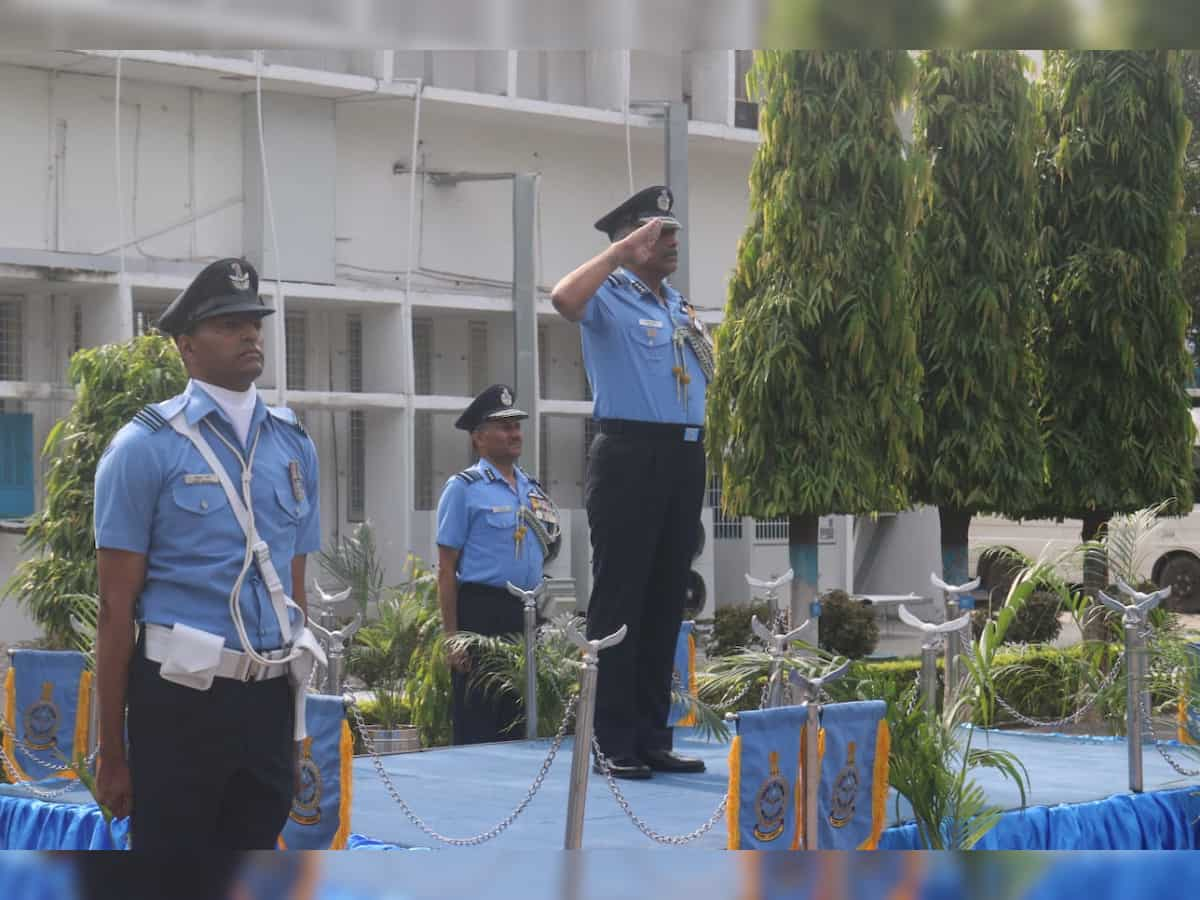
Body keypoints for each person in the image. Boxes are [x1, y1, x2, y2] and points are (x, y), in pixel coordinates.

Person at [92, 257, 322, 857]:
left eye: (254, 322)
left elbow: (293, 597)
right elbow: (115, 610)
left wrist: (295, 732)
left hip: (269, 699)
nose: (249, 334)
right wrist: (111, 752)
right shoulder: (145, 447)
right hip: (180, 703)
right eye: (228, 324)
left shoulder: (293, 445)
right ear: (187, 347)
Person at [550, 185, 714, 779]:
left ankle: (651, 734)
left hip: (683, 458)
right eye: (659, 232)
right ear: (628, 237)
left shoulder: (678, 306)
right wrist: (618, 254)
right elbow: (563, 298)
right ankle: (610, 738)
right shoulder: (609, 296)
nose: (672, 242)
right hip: (629, 454)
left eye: (673, 232)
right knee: (621, 598)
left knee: (666, 597)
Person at [435, 384, 561, 745]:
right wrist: (452, 637)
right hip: (481, 612)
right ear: (479, 438)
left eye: (517, 426)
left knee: (521, 717)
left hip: (526, 612)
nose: (514, 434)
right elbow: (446, 569)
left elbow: (548, 547)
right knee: (479, 716)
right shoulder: (464, 488)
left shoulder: (532, 489)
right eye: (504, 427)